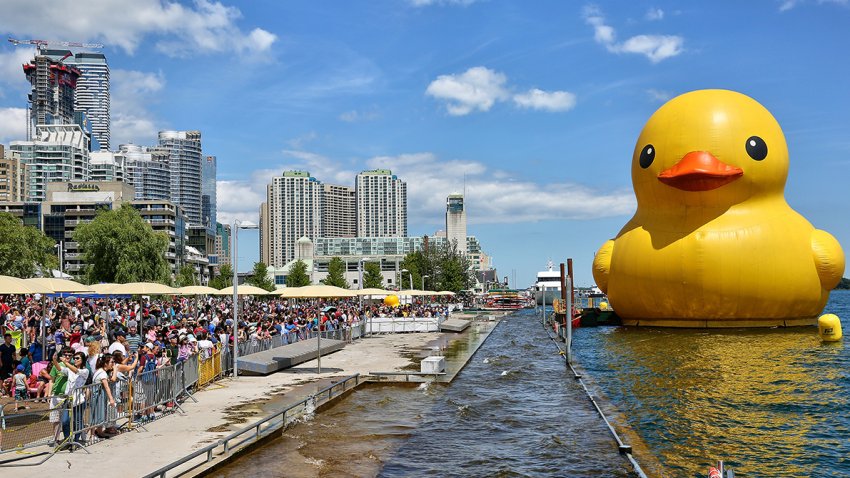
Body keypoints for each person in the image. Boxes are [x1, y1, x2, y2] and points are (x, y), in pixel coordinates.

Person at [91, 354, 118, 439]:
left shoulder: (101, 371)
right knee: (96, 415)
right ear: (106, 363)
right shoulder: (102, 373)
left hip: (100, 396)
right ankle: (92, 434)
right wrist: (111, 399)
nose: (113, 364)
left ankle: (99, 431)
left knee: (101, 414)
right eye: (111, 362)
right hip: (98, 396)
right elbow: (106, 387)